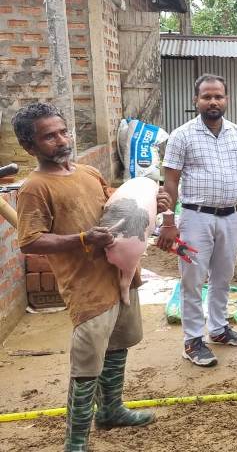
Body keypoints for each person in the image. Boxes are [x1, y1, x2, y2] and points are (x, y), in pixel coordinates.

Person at [13, 102, 171, 451]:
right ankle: (76, 442)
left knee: (119, 344)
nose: (61, 140)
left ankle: (111, 410)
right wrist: (84, 239)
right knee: (87, 365)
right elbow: (30, 241)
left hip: (120, 276)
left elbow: (115, 208)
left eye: (63, 132)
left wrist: (150, 203)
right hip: (86, 287)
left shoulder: (87, 173)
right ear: (30, 146)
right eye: (49, 137)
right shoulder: (35, 188)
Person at [158, 74, 237, 367]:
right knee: (192, 279)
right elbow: (170, 182)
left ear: (226, 100)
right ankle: (192, 340)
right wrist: (169, 221)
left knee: (223, 277)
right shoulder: (181, 135)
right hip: (194, 218)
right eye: (207, 97)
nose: (213, 101)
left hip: (231, 217)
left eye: (218, 96)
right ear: (196, 101)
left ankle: (218, 329)